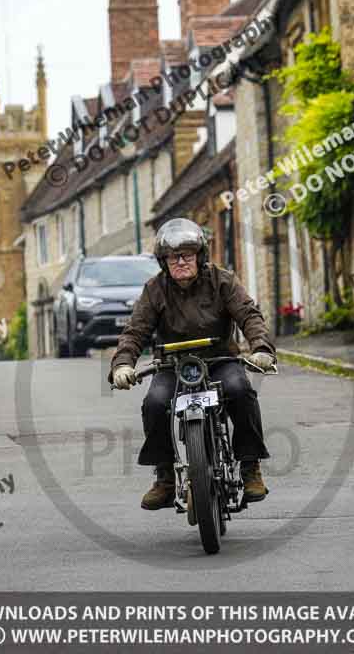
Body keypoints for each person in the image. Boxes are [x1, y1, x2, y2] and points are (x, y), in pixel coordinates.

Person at [110, 218, 277, 511]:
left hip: (220, 360)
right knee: (154, 403)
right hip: (173, 366)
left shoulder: (222, 281)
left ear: (200, 255)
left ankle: (250, 468)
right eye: (173, 257)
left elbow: (249, 315)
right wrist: (123, 364)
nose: (181, 261)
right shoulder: (155, 290)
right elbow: (135, 331)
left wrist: (261, 349)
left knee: (241, 391)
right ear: (164, 262)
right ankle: (165, 478)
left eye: (187, 253)